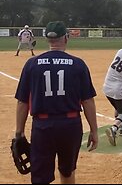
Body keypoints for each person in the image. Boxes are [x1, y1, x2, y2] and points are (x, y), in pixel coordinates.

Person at [14, 21, 98, 184]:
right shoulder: (78, 64)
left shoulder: (32, 64)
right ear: (66, 38)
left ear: (47, 40)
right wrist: (94, 130)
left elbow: (22, 102)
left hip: (42, 126)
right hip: (70, 124)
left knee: (40, 177)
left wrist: (19, 132)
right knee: (67, 172)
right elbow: (87, 101)